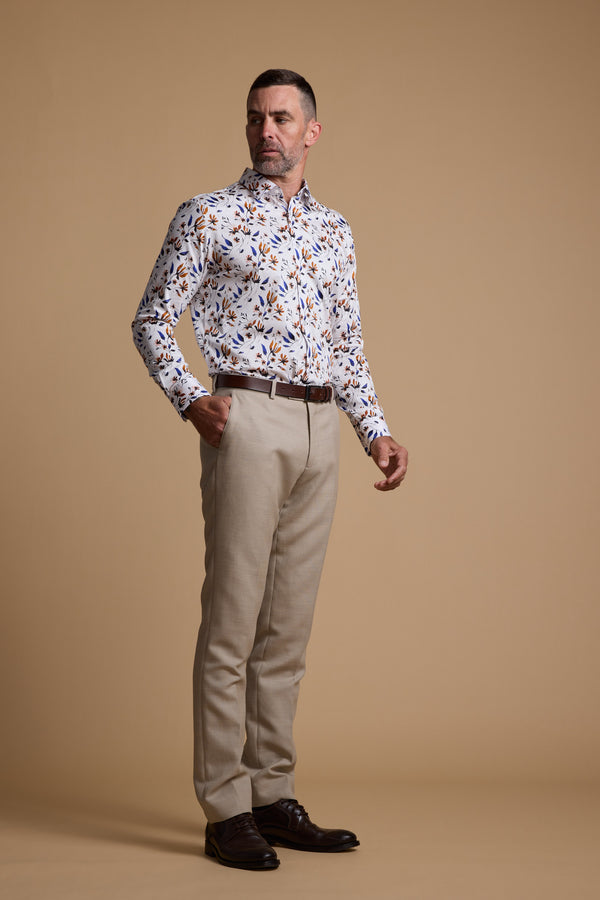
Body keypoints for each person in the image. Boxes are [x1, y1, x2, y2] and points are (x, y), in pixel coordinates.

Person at [132, 68, 408, 871]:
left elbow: (347, 343)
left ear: (311, 131)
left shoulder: (335, 231)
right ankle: (226, 806)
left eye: (283, 118)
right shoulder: (208, 214)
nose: (267, 131)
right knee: (232, 623)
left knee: (287, 629)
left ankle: (271, 794)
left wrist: (374, 431)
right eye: (256, 118)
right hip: (249, 418)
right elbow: (152, 318)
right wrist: (191, 398)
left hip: (323, 427)